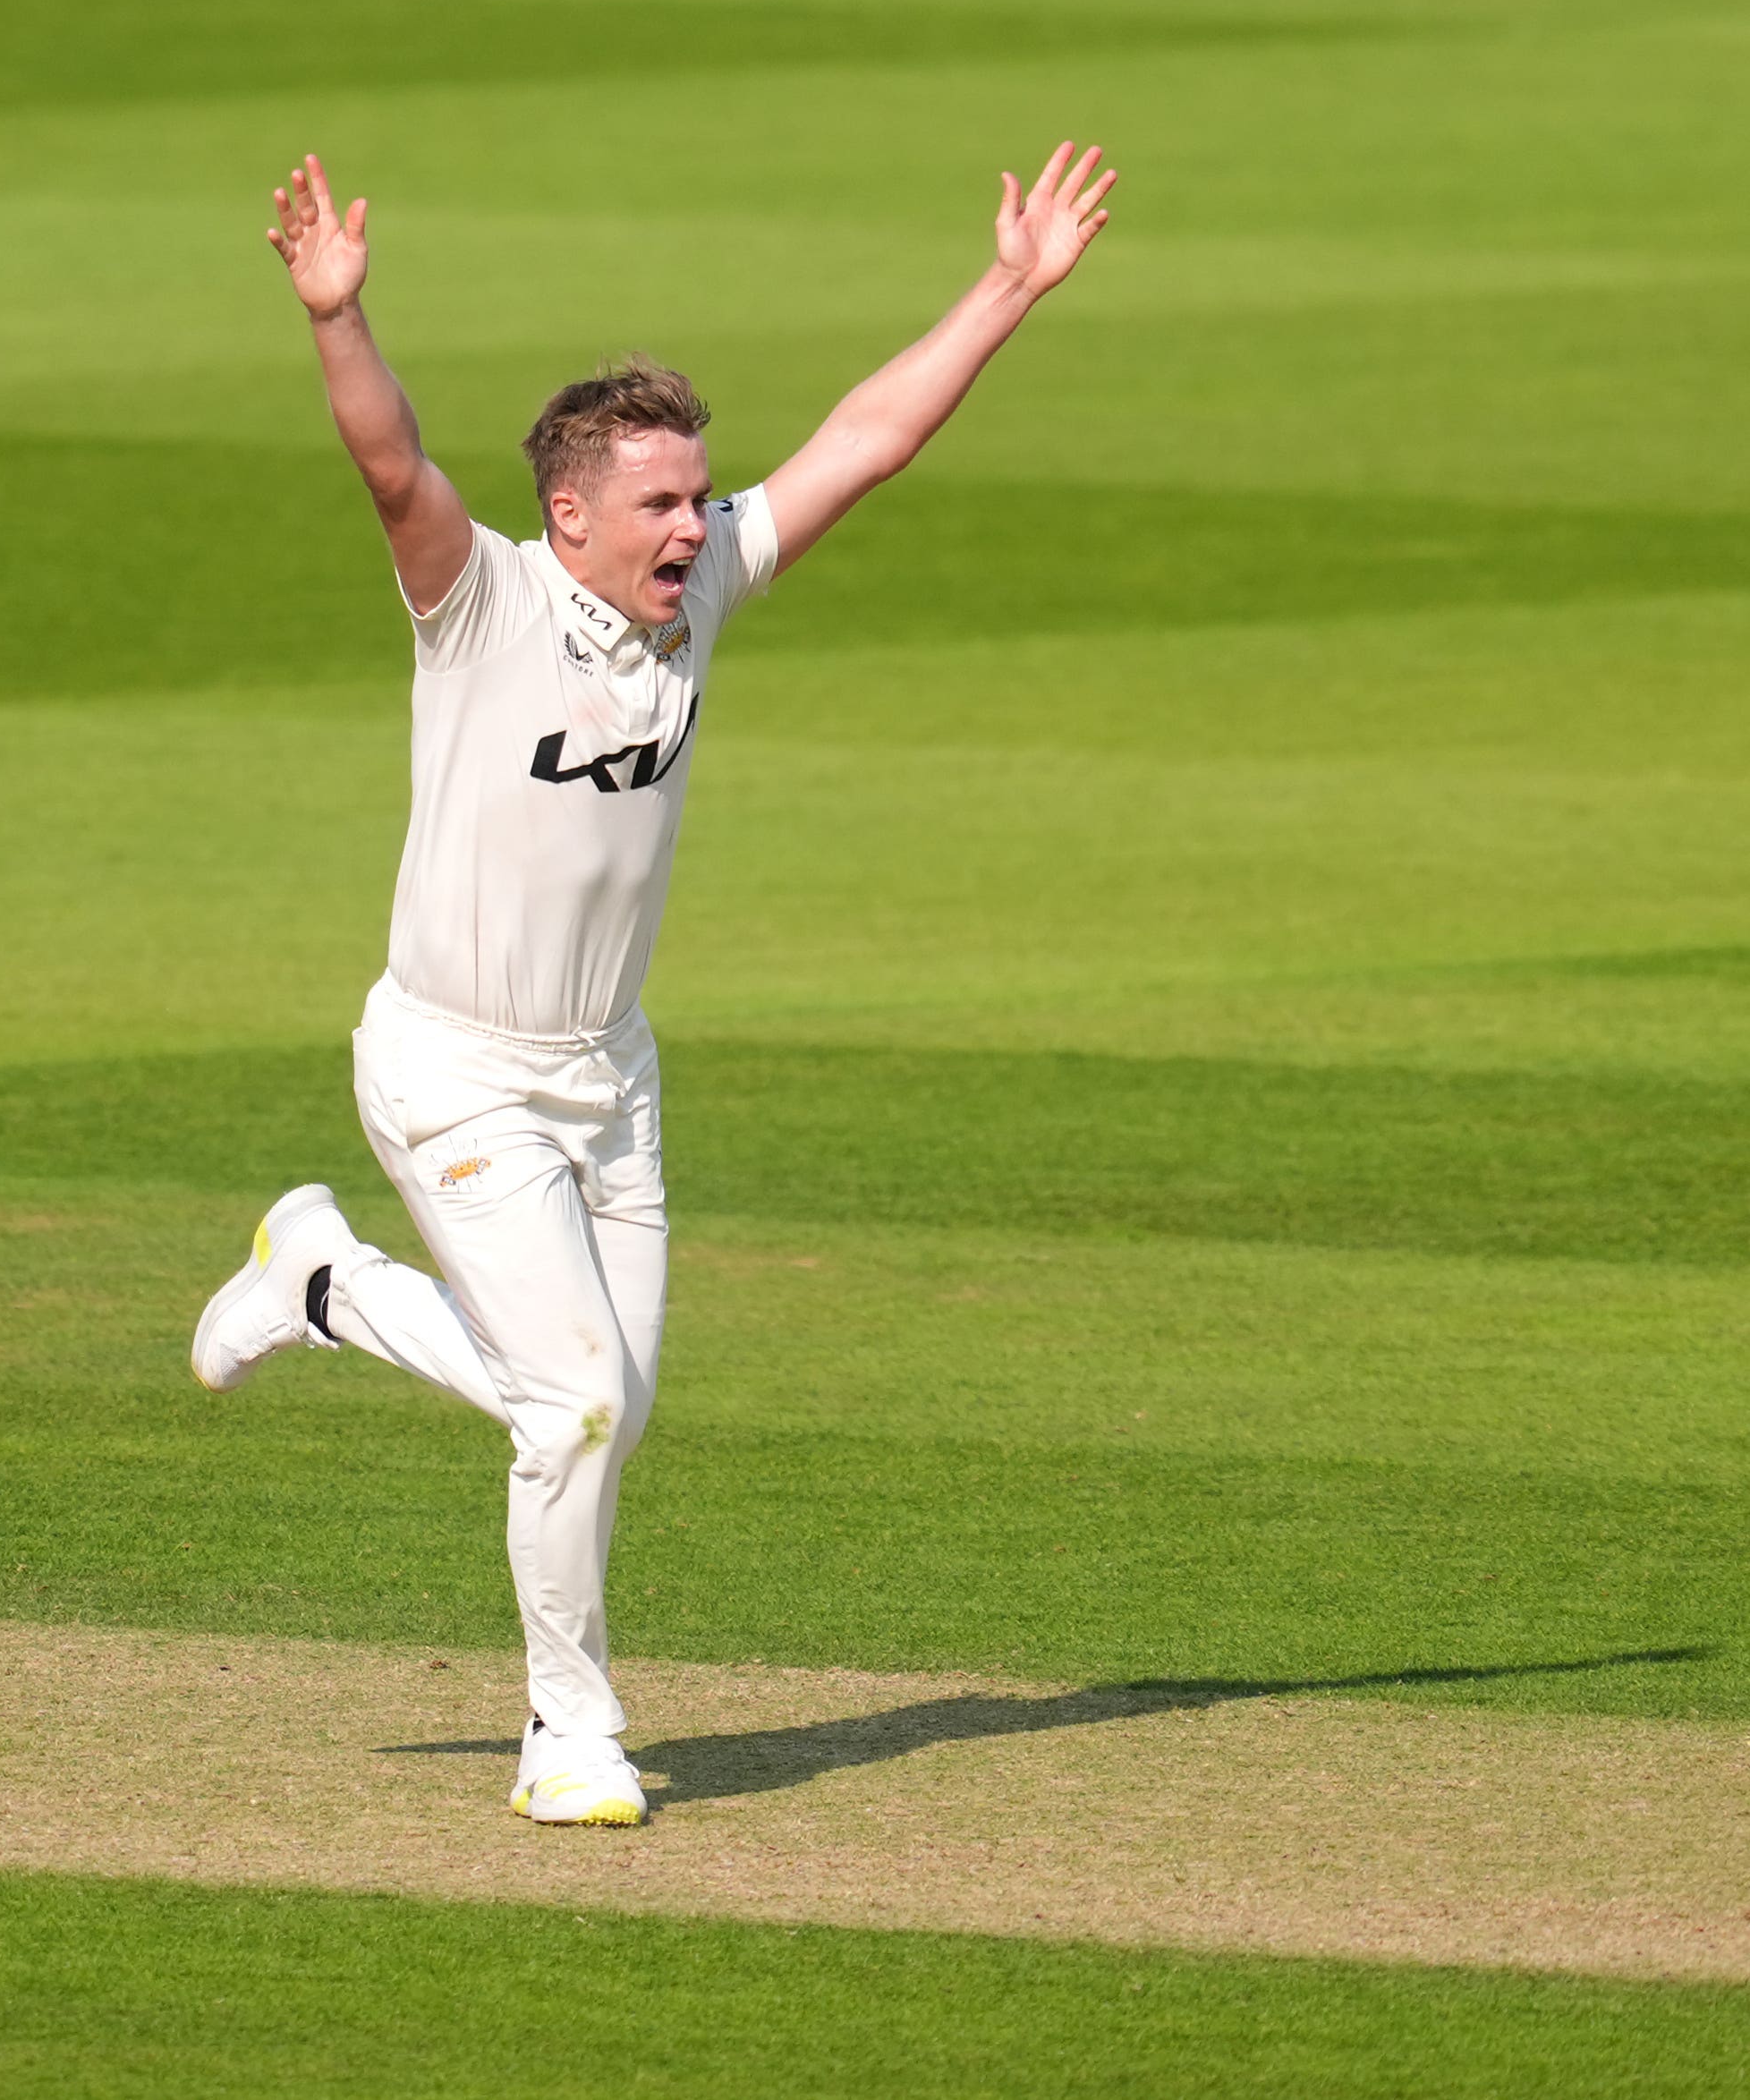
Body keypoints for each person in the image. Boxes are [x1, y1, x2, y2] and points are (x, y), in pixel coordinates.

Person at [195, 145, 1117, 1824]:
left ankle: (322, 1282)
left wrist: (1010, 286)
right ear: (569, 515)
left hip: (609, 1075)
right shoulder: (480, 602)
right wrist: (339, 317)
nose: (695, 526)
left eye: (698, 500)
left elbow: (868, 443)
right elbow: (390, 464)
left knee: (598, 1410)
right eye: (659, 504)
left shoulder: (693, 604)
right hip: (453, 1067)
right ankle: (569, 1731)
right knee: (578, 1407)